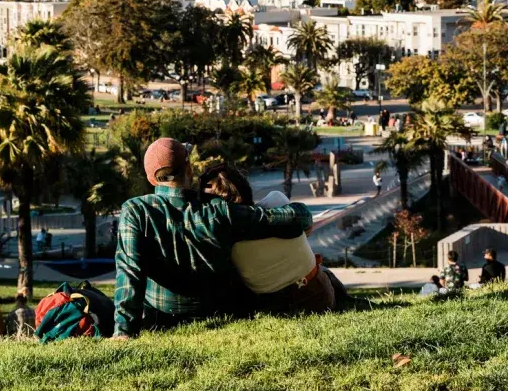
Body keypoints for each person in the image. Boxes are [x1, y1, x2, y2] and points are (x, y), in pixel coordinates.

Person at [112, 138, 314, 340]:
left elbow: (130, 273)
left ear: (152, 179)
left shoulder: (135, 211)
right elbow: (294, 217)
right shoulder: (219, 211)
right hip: (219, 314)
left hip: (161, 318)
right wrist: (303, 216)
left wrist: (124, 331)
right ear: (188, 169)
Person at [198, 164, 343, 315]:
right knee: (323, 271)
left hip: (275, 307)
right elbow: (307, 228)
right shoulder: (276, 201)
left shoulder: (220, 239)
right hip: (319, 297)